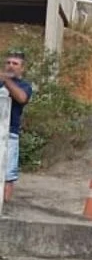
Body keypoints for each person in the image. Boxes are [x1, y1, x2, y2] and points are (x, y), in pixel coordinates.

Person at [2, 51, 34, 203]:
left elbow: (21, 98)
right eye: (8, 63)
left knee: (8, 174)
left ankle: (4, 207)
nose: (10, 66)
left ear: (22, 68)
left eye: (15, 64)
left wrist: (7, 81)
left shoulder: (24, 86)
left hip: (10, 134)